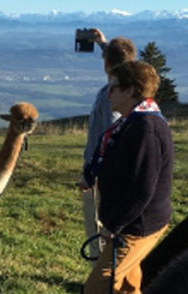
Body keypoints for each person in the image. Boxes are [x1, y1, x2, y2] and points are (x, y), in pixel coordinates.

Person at [82, 60, 174, 294]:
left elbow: (143, 188)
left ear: (132, 90)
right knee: (126, 285)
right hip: (132, 223)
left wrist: (113, 225)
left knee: (98, 288)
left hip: (136, 226)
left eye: (113, 87)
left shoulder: (146, 129)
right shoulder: (133, 121)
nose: (107, 93)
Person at [76, 30, 136, 263]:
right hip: (110, 170)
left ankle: (99, 276)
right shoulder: (128, 88)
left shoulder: (110, 96)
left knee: (97, 224)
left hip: (101, 172)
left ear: (107, 63)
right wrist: (103, 44)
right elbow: (121, 63)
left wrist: (90, 175)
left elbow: (109, 138)